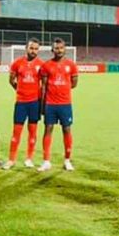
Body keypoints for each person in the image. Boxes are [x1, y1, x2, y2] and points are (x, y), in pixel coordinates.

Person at [39, 38, 78, 172]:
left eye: (61, 48)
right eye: (56, 48)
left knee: (66, 130)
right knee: (48, 129)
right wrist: (43, 104)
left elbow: (74, 83)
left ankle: (67, 160)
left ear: (65, 49)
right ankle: (46, 161)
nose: (59, 50)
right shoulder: (46, 66)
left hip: (65, 104)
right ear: (52, 50)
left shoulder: (71, 65)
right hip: (50, 104)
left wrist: (62, 90)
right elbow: (43, 86)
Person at [4, 38, 43, 169]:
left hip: (34, 103)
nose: (34, 51)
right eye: (31, 48)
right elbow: (11, 80)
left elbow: (43, 84)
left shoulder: (41, 65)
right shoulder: (17, 63)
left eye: (36, 49)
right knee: (16, 132)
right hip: (21, 103)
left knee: (33, 132)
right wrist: (19, 90)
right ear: (26, 48)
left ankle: (29, 159)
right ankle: (11, 159)